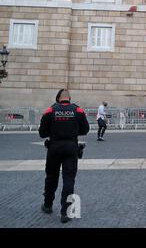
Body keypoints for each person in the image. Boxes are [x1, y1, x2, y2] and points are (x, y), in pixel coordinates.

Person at [39, 89, 89, 223]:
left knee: (51, 177)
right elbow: (85, 130)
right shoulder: (78, 110)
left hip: (54, 148)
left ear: (58, 98)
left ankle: (48, 205)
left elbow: (42, 133)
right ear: (69, 98)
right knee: (69, 180)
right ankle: (65, 213)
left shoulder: (50, 110)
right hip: (71, 148)